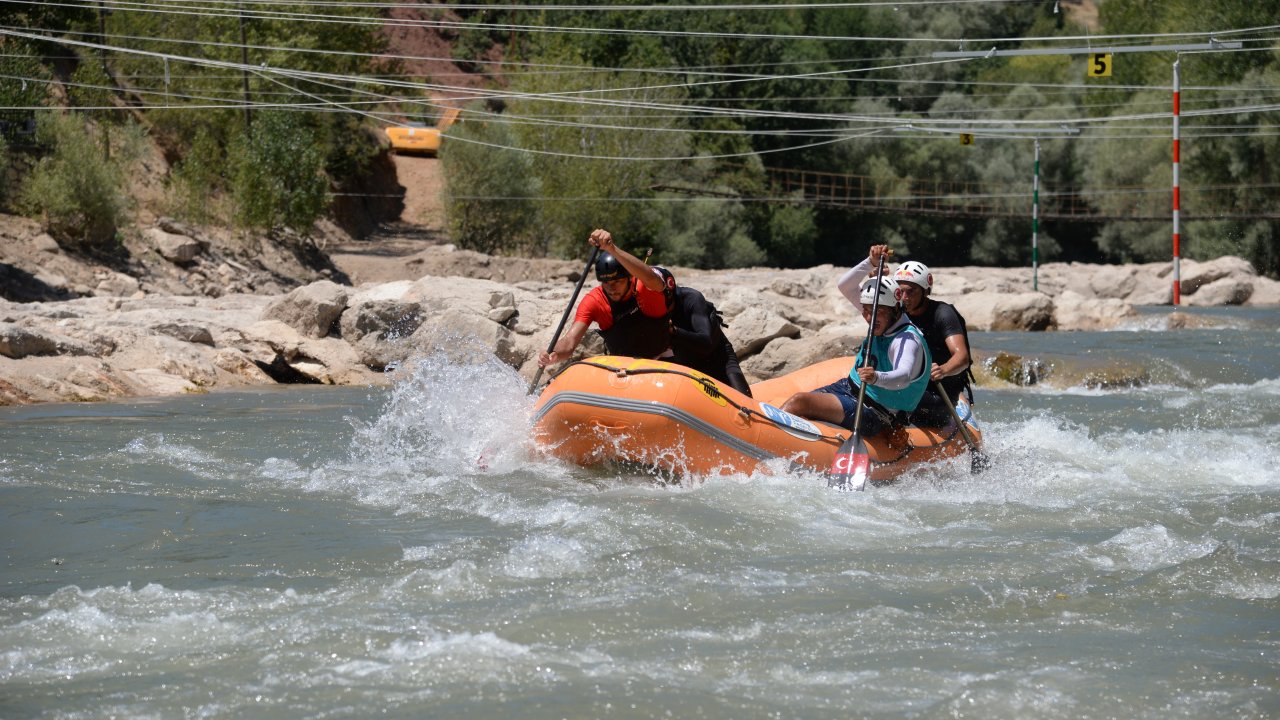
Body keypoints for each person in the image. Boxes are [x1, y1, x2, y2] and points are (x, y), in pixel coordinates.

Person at [780, 273, 932, 439]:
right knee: (804, 411)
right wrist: (870, 262)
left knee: (800, 402)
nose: (869, 318)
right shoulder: (880, 317)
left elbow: (903, 377)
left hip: (874, 412)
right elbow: (845, 286)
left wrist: (876, 377)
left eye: (877, 312)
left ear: (895, 310)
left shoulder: (907, 340)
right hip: (847, 387)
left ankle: (767, 444)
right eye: (865, 311)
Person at [538, 228, 673, 367]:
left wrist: (611, 248)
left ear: (629, 278)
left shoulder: (644, 287)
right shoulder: (594, 301)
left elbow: (651, 278)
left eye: (617, 282)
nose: (611, 289)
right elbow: (570, 341)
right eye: (606, 283)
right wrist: (554, 353)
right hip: (622, 366)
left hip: (663, 357)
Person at [653, 266, 753, 397]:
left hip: (719, 359)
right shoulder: (641, 309)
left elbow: (706, 342)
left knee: (744, 403)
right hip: (685, 366)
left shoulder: (692, 299)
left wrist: (674, 331)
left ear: (668, 291)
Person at [892, 260, 975, 409]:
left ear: (925, 292)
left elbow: (962, 357)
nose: (904, 297)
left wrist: (942, 370)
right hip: (910, 381)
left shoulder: (943, 314)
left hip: (939, 388)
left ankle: (959, 399)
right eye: (900, 291)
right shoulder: (898, 312)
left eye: (911, 291)